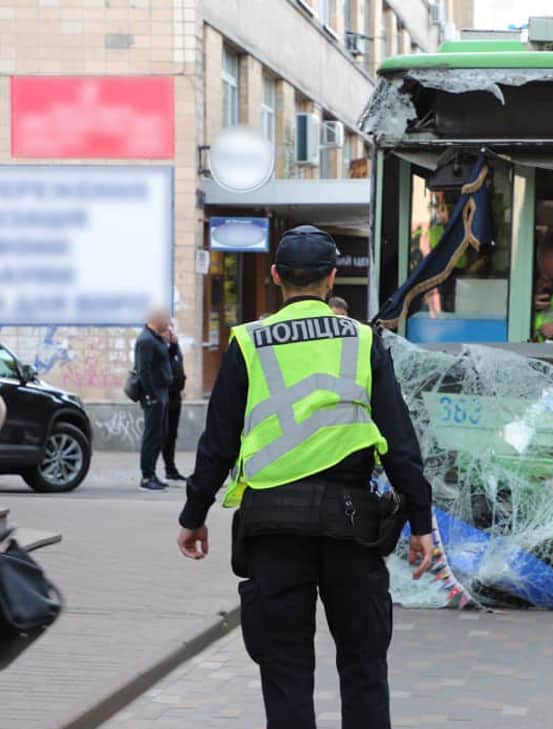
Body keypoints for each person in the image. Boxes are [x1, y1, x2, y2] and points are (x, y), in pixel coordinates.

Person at [176, 225, 437, 729]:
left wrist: (194, 515)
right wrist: (421, 520)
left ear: (276, 277)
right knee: (363, 666)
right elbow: (400, 440)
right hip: (351, 526)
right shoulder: (362, 341)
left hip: (272, 528)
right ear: (332, 278)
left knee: (286, 671)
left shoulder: (248, 343)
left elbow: (218, 442)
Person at [135, 307, 173, 492]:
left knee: (160, 435)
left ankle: (153, 473)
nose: (169, 323)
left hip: (162, 393)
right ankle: (146, 476)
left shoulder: (156, 338)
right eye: (166, 319)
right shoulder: (145, 340)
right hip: (154, 395)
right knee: (151, 436)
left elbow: (166, 360)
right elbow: (144, 371)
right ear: (156, 319)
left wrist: (172, 344)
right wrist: (151, 395)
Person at [161, 323, 186, 481]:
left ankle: (171, 469)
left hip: (176, 396)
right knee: (164, 435)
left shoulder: (174, 347)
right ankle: (152, 472)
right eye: (166, 330)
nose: (170, 333)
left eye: (171, 329)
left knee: (172, 435)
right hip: (165, 397)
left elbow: (178, 367)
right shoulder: (160, 347)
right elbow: (165, 364)